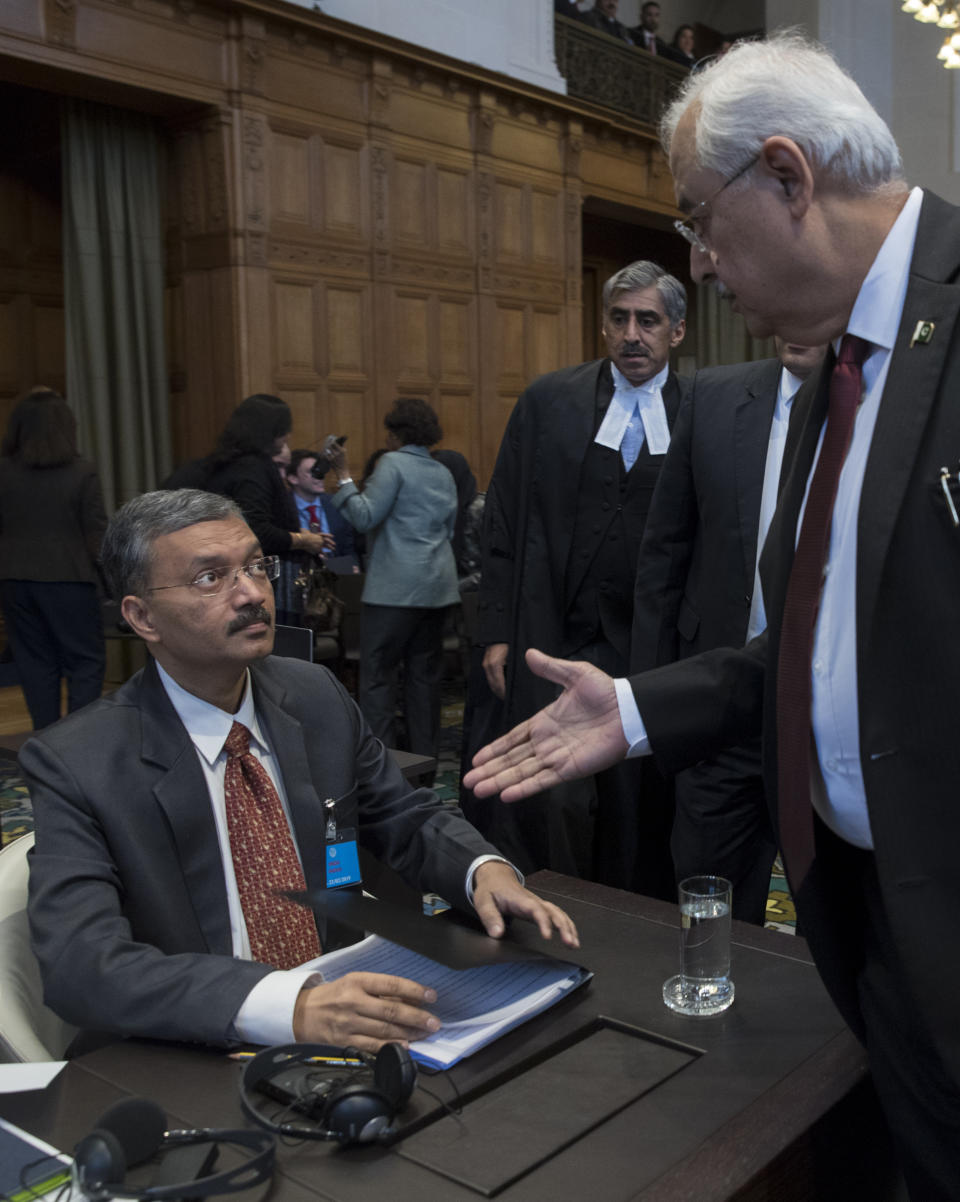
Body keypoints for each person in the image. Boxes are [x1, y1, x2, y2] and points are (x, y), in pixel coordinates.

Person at [465, 33, 960, 1199]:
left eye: (698, 217)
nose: (695, 262)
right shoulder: (836, 369)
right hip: (871, 923)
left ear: (787, 176)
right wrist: (636, 707)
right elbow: (820, 646)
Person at [23, 489, 577, 1052]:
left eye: (255, 567)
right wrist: (286, 1005)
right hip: (197, 1039)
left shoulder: (313, 695)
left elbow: (403, 815)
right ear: (142, 616)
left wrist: (482, 870)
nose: (252, 594)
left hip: (349, 1012)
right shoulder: (78, 761)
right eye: (211, 579)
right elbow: (82, 966)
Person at [473, 260, 687, 891]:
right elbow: (504, 517)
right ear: (602, 326)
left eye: (647, 321)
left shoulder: (705, 408)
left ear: (676, 331)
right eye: (619, 320)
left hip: (650, 645)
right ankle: (553, 909)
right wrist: (495, 628)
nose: (632, 335)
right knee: (548, 791)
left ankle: (629, 922)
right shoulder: (549, 400)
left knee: (635, 795)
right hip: (551, 632)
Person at [631, 340, 826, 925]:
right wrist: (651, 694)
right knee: (705, 892)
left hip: (828, 710)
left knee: (839, 912)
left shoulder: (878, 396)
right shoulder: (712, 395)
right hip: (720, 700)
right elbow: (665, 549)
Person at [327, 399, 459, 774]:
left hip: (394, 591)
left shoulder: (392, 464)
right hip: (438, 588)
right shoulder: (443, 472)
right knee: (424, 682)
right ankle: (426, 767)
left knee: (378, 678)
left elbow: (365, 516)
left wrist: (345, 476)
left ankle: (382, 768)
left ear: (394, 433)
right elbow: (448, 531)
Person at [0, 388, 106, 729]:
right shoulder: (82, 473)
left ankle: (46, 739)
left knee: (34, 663)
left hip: (13, 579)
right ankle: (78, 742)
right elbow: (97, 537)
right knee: (85, 663)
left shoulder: (3, 472)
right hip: (69, 579)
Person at [284, 448, 357, 564]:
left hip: (337, 572)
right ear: (293, 478)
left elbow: (349, 547)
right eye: (312, 471)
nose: (320, 476)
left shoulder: (336, 503)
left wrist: (353, 565)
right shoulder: (281, 508)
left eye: (320, 470)